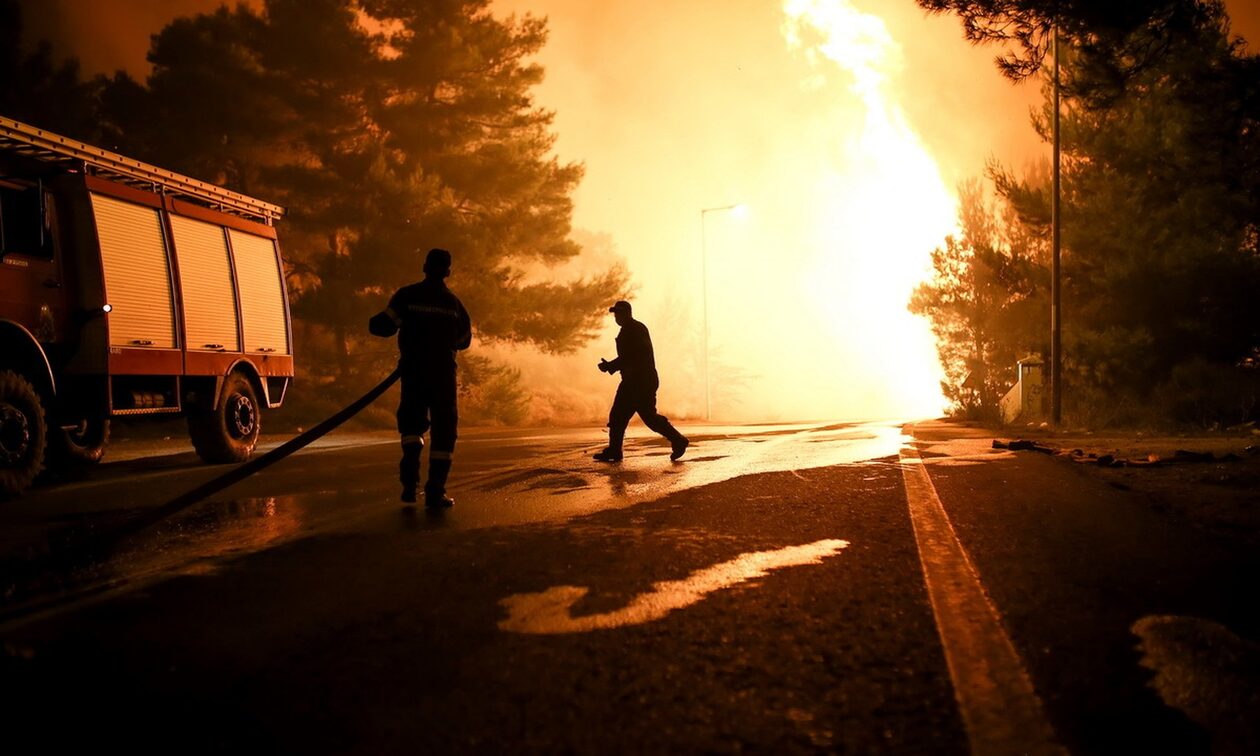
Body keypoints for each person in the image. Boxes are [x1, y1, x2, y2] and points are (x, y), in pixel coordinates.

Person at [369, 248, 472, 508]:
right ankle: (436, 491)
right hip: (443, 375)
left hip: (413, 372)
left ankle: (409, 483)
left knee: (412, 425)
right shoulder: (454, 304)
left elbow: (383, 326)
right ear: (448, 272)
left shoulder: (407, 296)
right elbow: (464, 341)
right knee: (444, 430)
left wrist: (373, 322)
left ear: (424, 267)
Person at [594, 300, 688, 462]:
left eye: (620, 313)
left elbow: (633, 356)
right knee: (617, 416)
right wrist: (612, 366)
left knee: (649, 418)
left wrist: (611, 365)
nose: (617, 316)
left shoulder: (636, 329)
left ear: (628, 313)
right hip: (632, 382)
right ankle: (615, 450)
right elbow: (629, 357)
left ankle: (678, 440)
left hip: (641, 382)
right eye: (615, 313)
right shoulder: (628, 330)